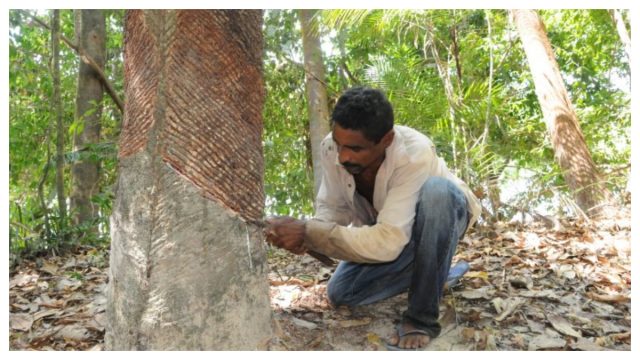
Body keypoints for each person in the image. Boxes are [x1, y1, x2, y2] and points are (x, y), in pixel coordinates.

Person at [265, 86, 480, 350]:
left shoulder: (414, 153)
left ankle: (421, 319)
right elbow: (334, 209)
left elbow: (388, 242)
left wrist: (310, 232)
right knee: (342, 293)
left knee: (438, 192)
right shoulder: (331, 149)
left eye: (356, 148)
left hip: (444, 216)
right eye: (339, 144)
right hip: (396, 233)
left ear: (386, 140)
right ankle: (438, 273)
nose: (344, 156)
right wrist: (307, 237)